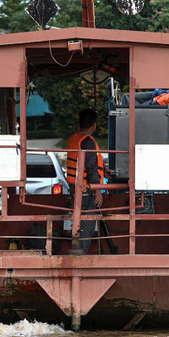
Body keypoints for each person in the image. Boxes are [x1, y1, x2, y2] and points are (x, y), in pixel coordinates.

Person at [66, 109, 104, 254]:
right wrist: (97, 191)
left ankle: (77, 247)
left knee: (77, 220)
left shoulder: (73, 138)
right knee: (87, 221)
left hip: (73, 186)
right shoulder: (88, 142)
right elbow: (92, 168)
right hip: (86, 189)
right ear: (94, 125)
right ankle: (81, 252)